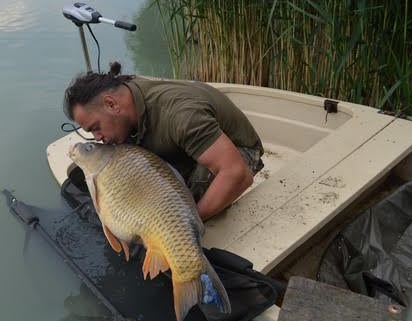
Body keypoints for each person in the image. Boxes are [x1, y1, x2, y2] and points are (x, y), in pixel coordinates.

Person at [63, 62, 264, 221]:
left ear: (111, 104)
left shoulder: (181, 116)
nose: (98, 137)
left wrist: (182, 228)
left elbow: (236, 173)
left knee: (172, 206)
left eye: (96, 128)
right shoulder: (126, 95)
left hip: (238, 152)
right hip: (185, 144)